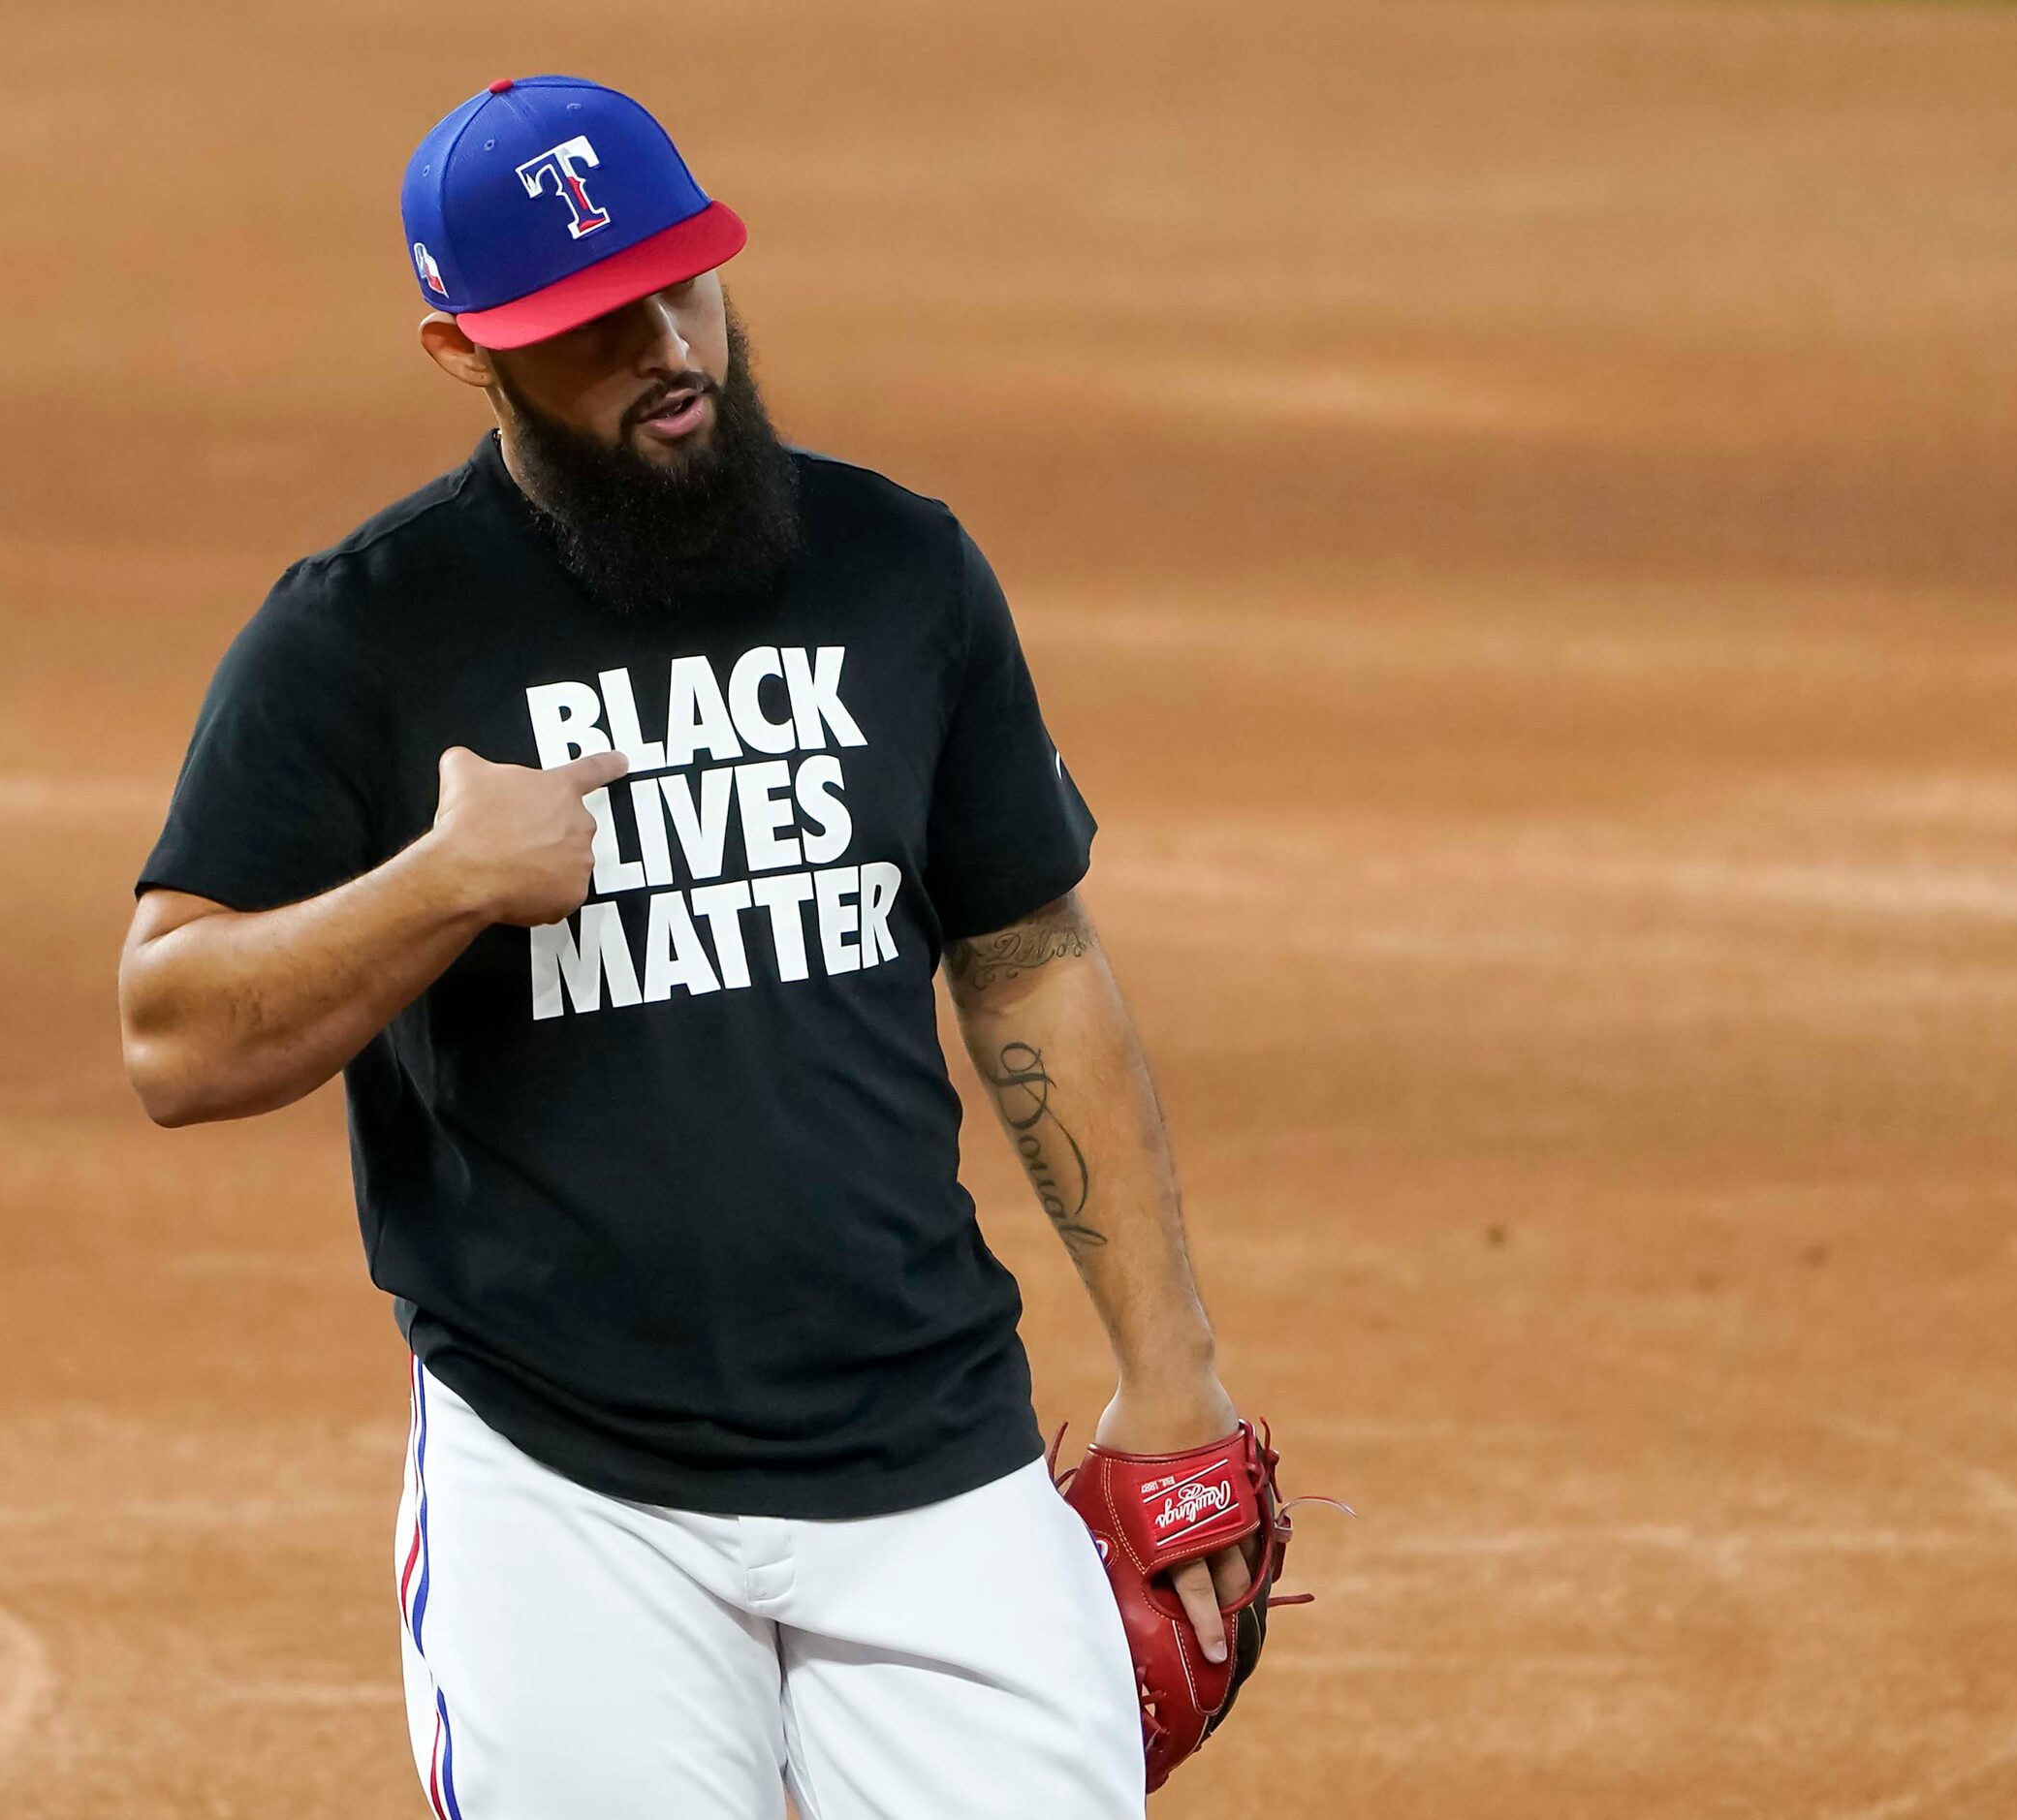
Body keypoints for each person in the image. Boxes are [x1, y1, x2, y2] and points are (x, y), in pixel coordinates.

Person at [116, 74, 1252, 1820]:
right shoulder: (365, 632)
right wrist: (437, 884)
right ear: (465, 351)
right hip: (569, 1481)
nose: (668, 345)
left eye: (685, 279)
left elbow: (1029, 956)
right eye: (590, 323)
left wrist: (1172, 1380)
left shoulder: (899, 569)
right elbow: (173, 1034)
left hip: (927, 1450)